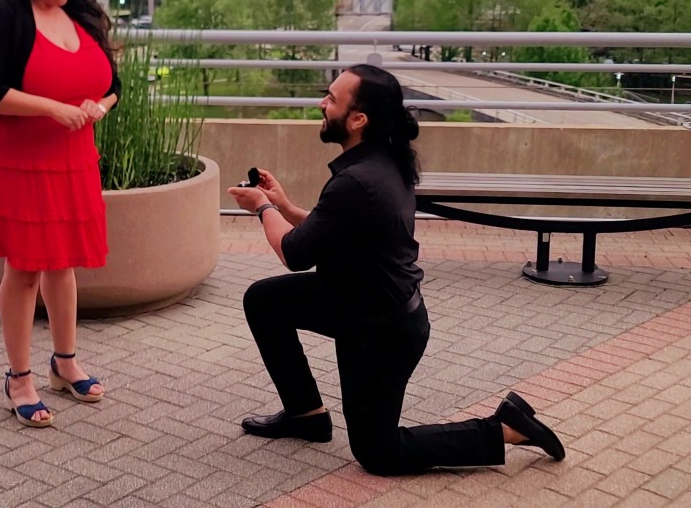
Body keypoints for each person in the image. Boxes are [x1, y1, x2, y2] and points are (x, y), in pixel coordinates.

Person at [227, 65, 565, 475]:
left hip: (382, 331)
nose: (322, 103)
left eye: (331, 99)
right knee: (264, 300)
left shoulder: (358, 180)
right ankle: (306, 414)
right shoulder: (381, 160)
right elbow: (324, 232)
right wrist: (282, 205)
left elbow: (296, 253)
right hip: (353, 300)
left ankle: (503, 429)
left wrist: (261, 208)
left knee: (377, 452)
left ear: (358, 119)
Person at [0, 0, 120, 427]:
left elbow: (115, 84)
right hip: (17, 159)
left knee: (64, 262)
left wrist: (100, 106)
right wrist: (52, 109)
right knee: (25, 269)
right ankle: (19, 375)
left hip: (72, 156)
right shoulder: (3, 14)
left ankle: (65, 361)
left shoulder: (81, 13)